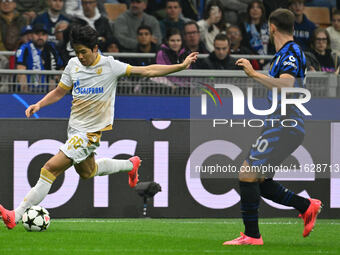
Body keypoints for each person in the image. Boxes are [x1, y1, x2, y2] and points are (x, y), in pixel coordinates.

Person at [0, 24, 198, 229]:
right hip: (74, 130)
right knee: (88, 172)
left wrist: (181, 66)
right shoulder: (73, 65)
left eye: (84, 52)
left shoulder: (110, 66)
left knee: (49, 169)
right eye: (77, 52)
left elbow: (147, 70)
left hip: (89, 133)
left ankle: (16, 214)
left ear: (95, 48)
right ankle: (131, 165)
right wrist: (39, 103)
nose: (81, 57)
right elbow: (60, 91)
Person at [223, 8, 322, 245]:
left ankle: (252, 236)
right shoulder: (286, 53)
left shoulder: (291, 51)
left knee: (247, 174)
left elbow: (286, 85)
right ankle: (306, 206)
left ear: (272, 27)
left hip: (284, 124)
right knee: (261, 182)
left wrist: (253, 74)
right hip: (281, 124)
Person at [15, 23, 64, 93]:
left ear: (47, 36)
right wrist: (25, 92)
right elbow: (20, 69)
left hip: (49, 92)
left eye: (43, 34)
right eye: (37, 34)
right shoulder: (25, 48)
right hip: (30, 91)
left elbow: (60, 68)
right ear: (32, 35)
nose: (40, 37)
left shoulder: (52, 48)